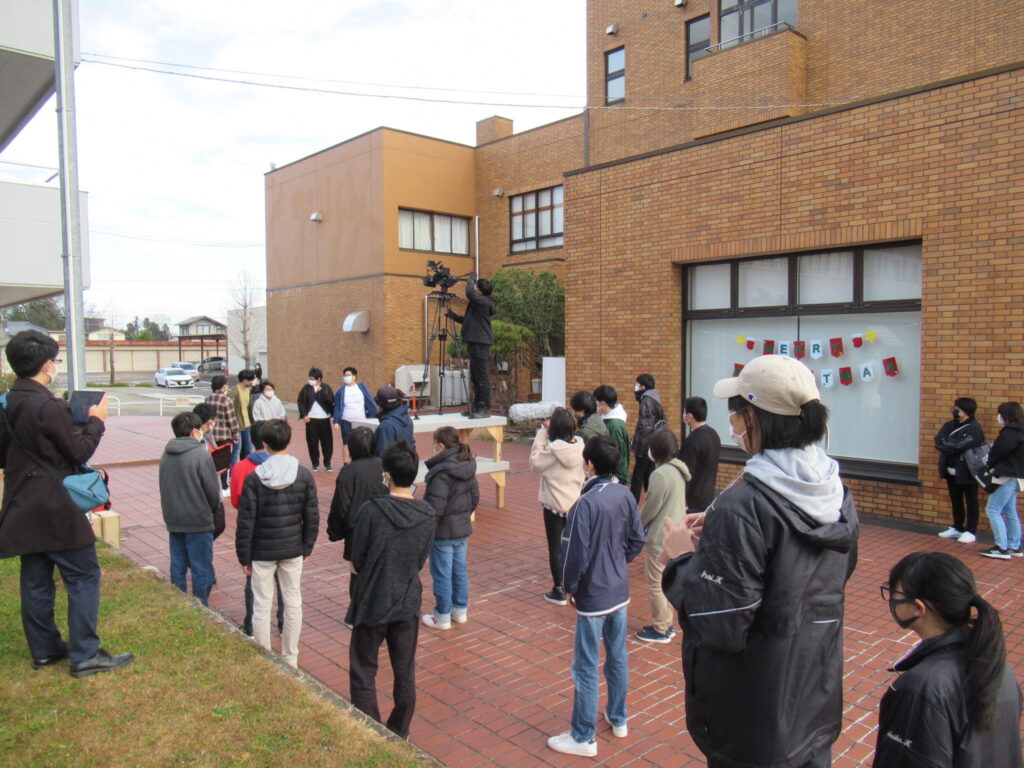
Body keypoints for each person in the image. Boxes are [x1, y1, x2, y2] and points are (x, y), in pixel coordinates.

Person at [660, 355, 858, 768]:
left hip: (751, 714)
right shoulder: (836, 493)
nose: (732, 424)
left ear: (755, 418)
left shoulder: (746, 505)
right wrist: (718, 525)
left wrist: (680, 560)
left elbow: (719, 620)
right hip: (812, 695)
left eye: (736, 414)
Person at [0, 330, 133, 678]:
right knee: (84, 573)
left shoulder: (8, 401)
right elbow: (79, 450)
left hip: (21, 500)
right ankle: (86, 654)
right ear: (46, 365)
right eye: (55, 361)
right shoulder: (48, 404)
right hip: (54, 505)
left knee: (36, 578)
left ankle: (44, 650)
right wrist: (96, 420)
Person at [874, 552, 1022, 766]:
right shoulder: (995, 665)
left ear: (918, 607)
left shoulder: (920, 689)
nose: (892, 600)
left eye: (894, 592)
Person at [547, 435, 645, 758]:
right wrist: (618, 563)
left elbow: (575, 553)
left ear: (589, 465)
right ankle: (619, 718)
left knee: (586, 665)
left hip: (595, 594)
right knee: (617, 656)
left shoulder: (585, 504)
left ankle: (583, 735)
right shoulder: (626, 496)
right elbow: (636, 539)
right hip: (619, 590)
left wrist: (570, 586)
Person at [346, 440, 436, 739]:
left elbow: (357, 558)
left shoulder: (371, 510)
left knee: (363, 668)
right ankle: (399, 730)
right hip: (407, 600)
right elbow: (421, 559)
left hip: (372, 597)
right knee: (404, 670)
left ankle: (371, 730)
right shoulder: (427, 514)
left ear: (386, 474)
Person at [236, 419, 319, 668]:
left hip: (262, 551)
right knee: (293, 601)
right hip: (293, 548)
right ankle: (290, 655)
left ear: (264, 443)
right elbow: (311, 515)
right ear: (289, 441)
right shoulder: (303, 475)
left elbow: (246, 521)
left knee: (262, 603)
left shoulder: (255, 478)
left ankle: (265, 656)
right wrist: (307, 547)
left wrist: (244, 556)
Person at [158, 411, 223, 607]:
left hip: (174, 517)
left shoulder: (166, 454)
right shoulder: (200, 455)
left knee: (177, 565)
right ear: (195, 431)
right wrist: (212, 511)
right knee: (200, 566)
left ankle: (179, 604)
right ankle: (201, 605)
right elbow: (213, 491)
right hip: (198, 519)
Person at [422, 427, 479, 630]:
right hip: (461, 528)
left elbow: (435, 507)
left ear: (441, 445)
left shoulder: (441, 472)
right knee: (459, 570)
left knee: (442, 574)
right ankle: (460, 610)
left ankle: (442, 615)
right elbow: (474, 498)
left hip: (443, 531)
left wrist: (428, 529)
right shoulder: (467, 464)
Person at [636, 429, 689, 644]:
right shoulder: (678, 470)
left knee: (655, 583)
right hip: (676, 533)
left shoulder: (659, 474)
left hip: (660, 536)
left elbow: (651, 507)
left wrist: (637, 525)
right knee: (667, 582)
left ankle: (660, 628)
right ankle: (667, 624)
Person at [229, 423, 283, 636]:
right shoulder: (285, 466)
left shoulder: (242, 467)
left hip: (255, 534)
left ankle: (252, 626)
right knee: (285, 585)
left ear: (252, 440)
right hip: (284, 531)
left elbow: (235, 501)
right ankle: (284, 624)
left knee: (254, 582)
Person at [530, 407, 586, 606]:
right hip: (575, 503)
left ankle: (559, 589)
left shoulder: (552, 451)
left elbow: (535, 463)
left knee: (556, 549)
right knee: (575, 547)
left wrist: (542, 432)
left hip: (553, 505)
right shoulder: (580, 446)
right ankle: (577, 585)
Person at [326, 426, 386, 601]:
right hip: (383, 526)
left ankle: (357, 613)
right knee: (380, 570)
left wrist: (334, 531)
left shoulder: (348, 471)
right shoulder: (383, 466)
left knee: (357, 572)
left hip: (357, 530)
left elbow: (340, 505)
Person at [443, 272, 496, 418]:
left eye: (475, 287)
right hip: (476, 342)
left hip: (480, 343)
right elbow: (466, 320)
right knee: (475, 378)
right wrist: (450, 314)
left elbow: (469, 292)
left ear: (479, 290)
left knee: (481, 378)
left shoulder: (483, 302)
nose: (473, 288)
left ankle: (484, 409)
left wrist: (471, 278)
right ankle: (476, 407)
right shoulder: (478, 304)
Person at [935, 397, 986, 544]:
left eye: (958, 409)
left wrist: (949, 444)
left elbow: (961, 445)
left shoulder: (974, 428)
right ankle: (957, 526)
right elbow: (939, 441)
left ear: (965, 411)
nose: (955, 411)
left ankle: (971, 530)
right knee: (955, 499)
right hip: (950, 470)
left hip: (968, 470)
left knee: (971, 500)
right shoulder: (949, 425)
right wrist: (950, 444)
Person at [979, 402, 1024, 559]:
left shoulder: (1010, 433)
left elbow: (998, 452)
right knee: (1010, 510)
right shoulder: (1021, 431)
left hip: (1006, 474)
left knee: (993, 510)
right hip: (1017, 475)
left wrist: (989, 462)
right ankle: (1015, 545)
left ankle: (1001, 547)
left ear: (1005, 415)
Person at [677, 396, 720, 513]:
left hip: (692, 500)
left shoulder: (693, 440)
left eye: (684, 411)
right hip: (708, 495)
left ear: (690, 416)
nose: (683, 414)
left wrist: (682, 501)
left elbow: (685, 472)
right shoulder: (714, 435)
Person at [332, 366, 378, 466]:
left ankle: (361, 461)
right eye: (344, 376)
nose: (346, 377)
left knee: (362, 441)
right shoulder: (341, 391)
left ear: (354, 376)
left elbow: (370, 401)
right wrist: (336, 421)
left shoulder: (362, 387)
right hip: (346, 420)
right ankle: (346, 463)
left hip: (361, 420)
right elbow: (337, 406)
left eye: (348, 375)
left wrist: (376, 414)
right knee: (346, 442)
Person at [629, 373, 665, 502]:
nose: (635, 387)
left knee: (638, 476)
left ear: (643, 387)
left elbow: (645, 426)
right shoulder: (654, 398)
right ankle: (653, 502)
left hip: (645, 446)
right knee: (648, 475)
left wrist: (640, 449)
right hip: (652, 444)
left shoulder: (646, 400)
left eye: (637, 385)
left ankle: (632, 504)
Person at [297, 367, 335, 472]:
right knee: (312, 442)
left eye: (313, 378)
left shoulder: (326, 387)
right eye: (309, 378)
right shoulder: (306, 388)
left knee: (327, 442)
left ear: (319, 379)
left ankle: (327, 463)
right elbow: (301, 402)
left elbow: (331, 400)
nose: (310, 380)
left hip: (324, 419)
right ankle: (315, 463)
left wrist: (322, 392)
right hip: (311, 419)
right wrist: (304, 415)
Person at [205, 374, 239, 492]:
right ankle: (224, 485)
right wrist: (235, 435)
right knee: (224, 462)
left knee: (213, 460)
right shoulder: (227, 400)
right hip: (224, 435)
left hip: (210, 435)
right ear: (223, 386)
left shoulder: (208, 399)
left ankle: (213, 484)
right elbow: (232, 420)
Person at [594, 385, 630, 486]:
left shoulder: (614, 426)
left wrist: (617, 475)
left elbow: (618, 452)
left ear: (602, 403)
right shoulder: (608, 419)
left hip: (616, 476)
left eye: (596, 401)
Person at [372, 386, 413, 458]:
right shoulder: (407, 419)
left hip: (392, 467)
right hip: (406, 465)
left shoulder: (385, 426)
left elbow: (382, 455)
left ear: (380, 405)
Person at [227, 369, 257, 466]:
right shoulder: (233, 392)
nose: (251, 382)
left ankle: (245, 469)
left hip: (247, 424)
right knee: (237, 450)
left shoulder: (249, 390)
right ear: (244, 380)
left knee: (248, 449)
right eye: (250, 380)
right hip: (237, 426)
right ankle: (233, 472)